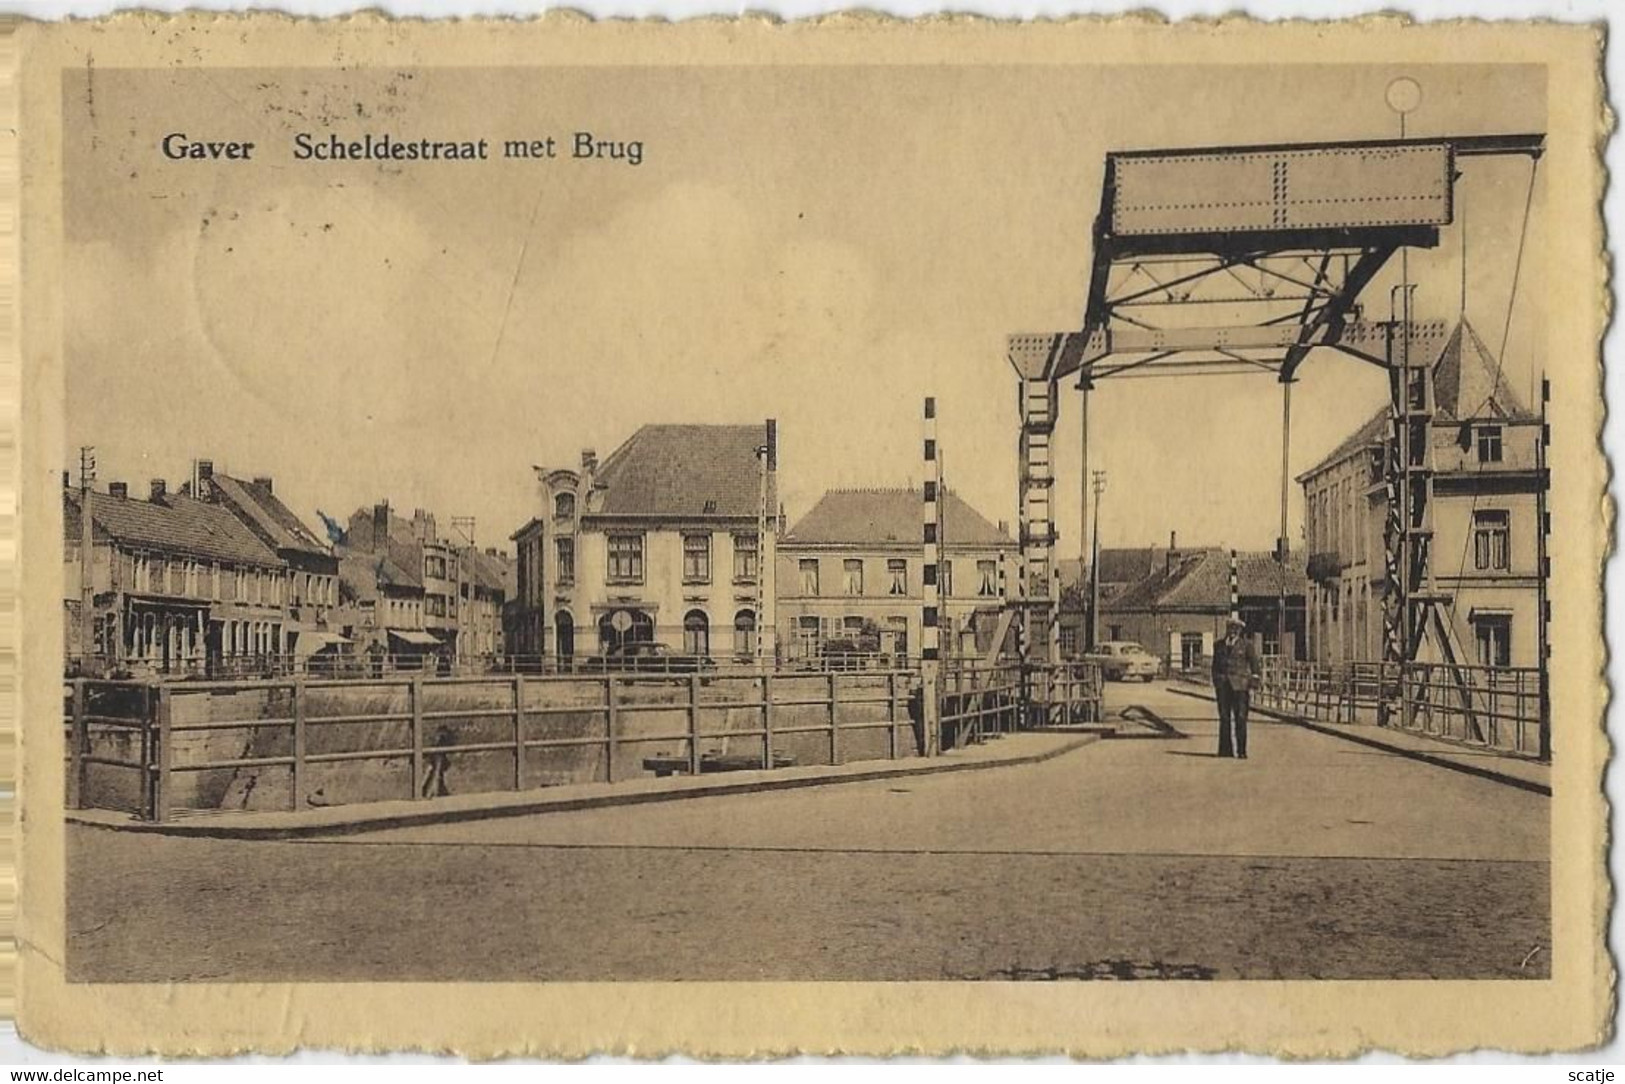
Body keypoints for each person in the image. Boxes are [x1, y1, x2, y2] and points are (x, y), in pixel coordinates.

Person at [1211, 616, 1262, 759]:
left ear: (1239, 630)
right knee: (1224, 718)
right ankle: (1225, 750)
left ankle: (1241, 751)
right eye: (1230, 628)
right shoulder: (1219, 645)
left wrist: (1253, 682)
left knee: (1240, 718)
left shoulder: (1246, 645)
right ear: (1227, 629)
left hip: (1240, 687)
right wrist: (1217, 681)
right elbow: (1214, 666)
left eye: (1235, 629)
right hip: (1223, 687)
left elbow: (1255, 666)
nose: (1232, 631)